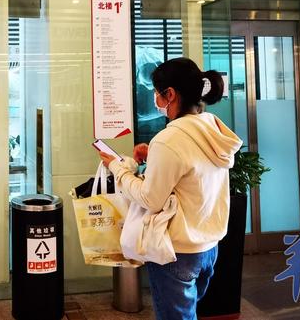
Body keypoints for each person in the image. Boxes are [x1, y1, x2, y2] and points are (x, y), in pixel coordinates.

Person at [99, 57, 242, 320]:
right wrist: (153, 155)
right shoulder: (212, 130)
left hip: (176, 252)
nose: (155, 99)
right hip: (208, 248)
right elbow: (191, 174)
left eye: (157, 92)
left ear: (171, 94)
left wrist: (118, 168)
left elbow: (150, 199)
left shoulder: (170, 139)